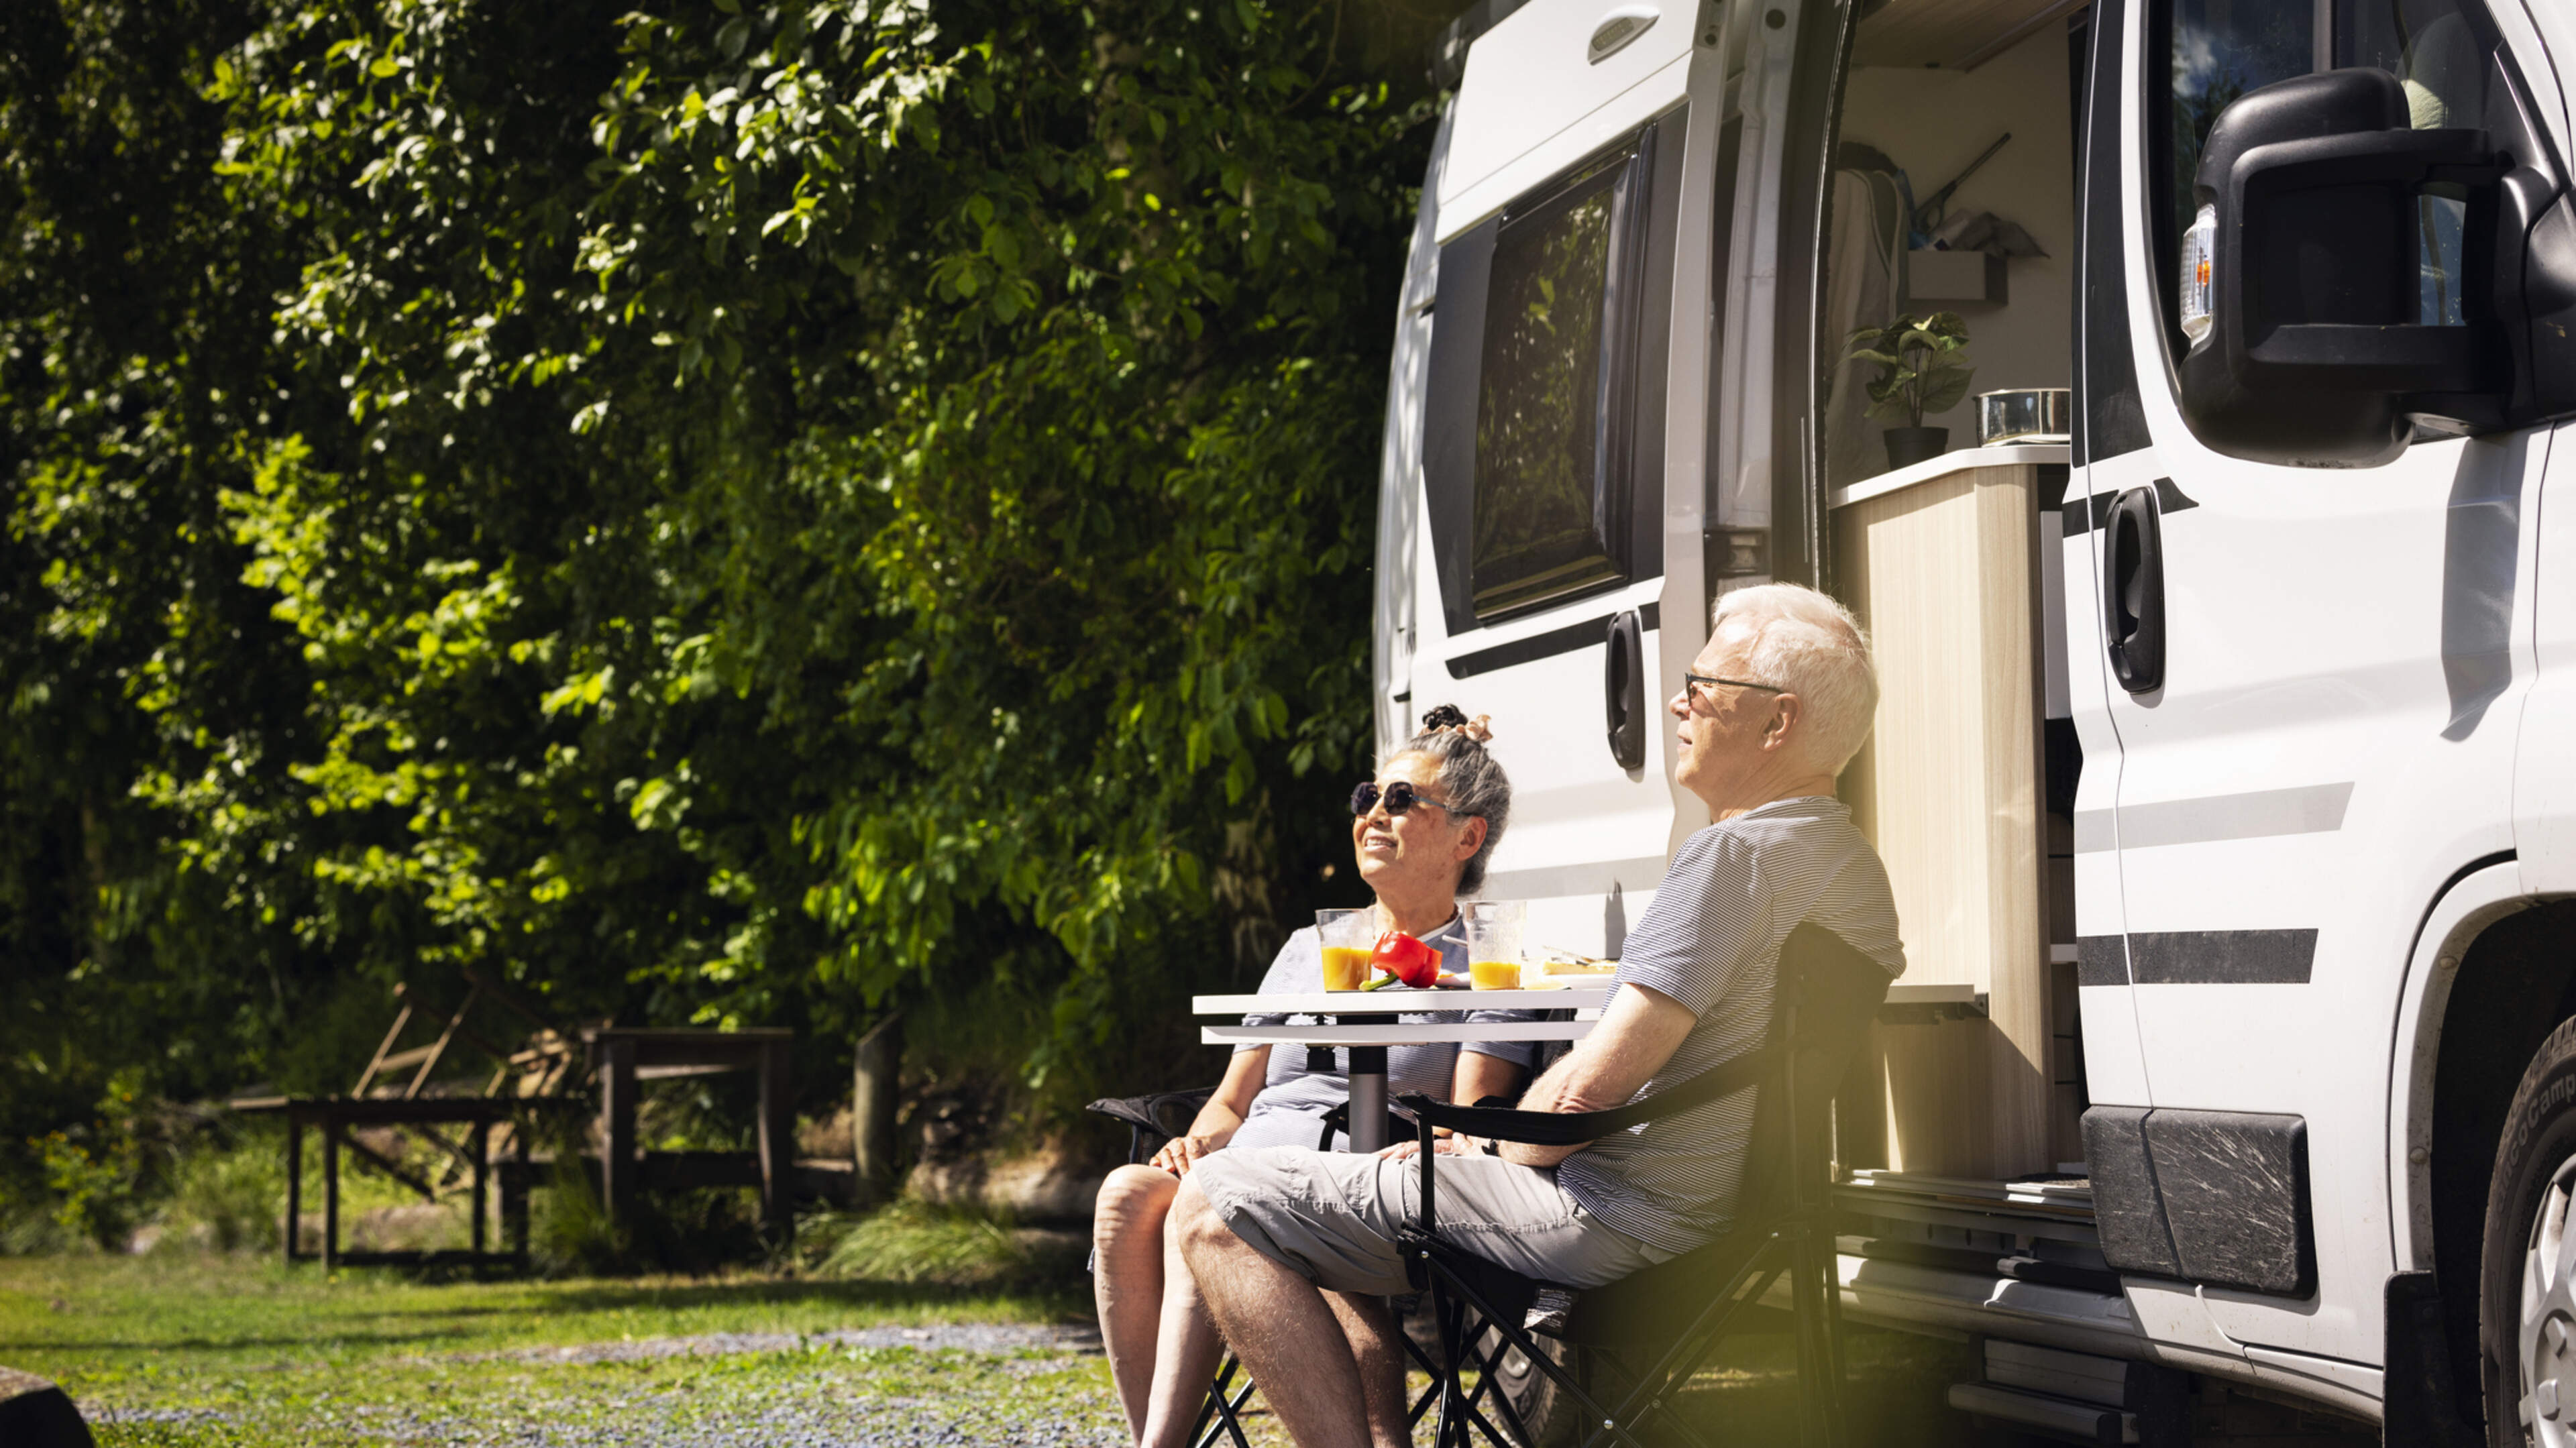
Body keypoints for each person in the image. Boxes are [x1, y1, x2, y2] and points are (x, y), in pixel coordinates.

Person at [1174, 583, 1907, 1448]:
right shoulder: (1856, 868)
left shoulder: (1731, 857)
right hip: (1731, 1211)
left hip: (1608, 1214)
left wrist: (1478, 1139)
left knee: (1214, 1198)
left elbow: (1579, 1102)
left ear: (1776, 724)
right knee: (1295, 1201)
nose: (1678, 699)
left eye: (1704, 686)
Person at [1091, 706, 1532, 1448]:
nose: (1375, 815)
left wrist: (1441, 1141)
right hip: (1253, 1159)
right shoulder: (1311, 945)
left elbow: (1467, 1117)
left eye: (1401, 800)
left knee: (1215, 1199)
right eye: (1368, 797)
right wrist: (1191, 1143)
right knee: (1129, 1195)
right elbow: (1234, 1099)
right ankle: (1156, 1435)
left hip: (1359, 1183)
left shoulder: (1485, 959)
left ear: (1467, 836)